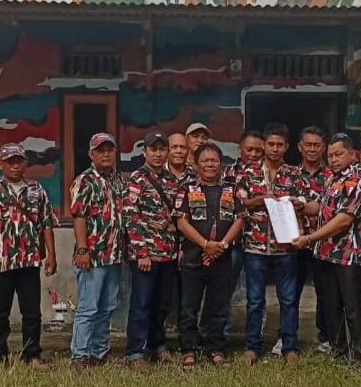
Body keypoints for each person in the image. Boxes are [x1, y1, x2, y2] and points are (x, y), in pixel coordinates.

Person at [0, 143, 58, 367]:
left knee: (32, 312)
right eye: (10, 162)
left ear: (26, 163)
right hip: (1, 261)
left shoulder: (36, 189)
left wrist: (51, 255)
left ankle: (32, 355)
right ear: (0, 164)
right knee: (0, 313)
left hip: (29, 260)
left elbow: (46, 223)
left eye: (19, 161)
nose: (15, 165)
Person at [293, 133, 361, 362]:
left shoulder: (358, 179)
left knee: (353, 307)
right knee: (331, 305)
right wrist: (300, 206)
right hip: (327, 253)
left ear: (353, 154)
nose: (334, 159)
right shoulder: (332, 178)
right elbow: (319, 207)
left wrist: (309, 239)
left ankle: (358, 356)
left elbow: (343, 220)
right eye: (330, 156)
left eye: (339, 154)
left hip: (350, 255)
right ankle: (338, 352)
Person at [237, 122, 307, 365]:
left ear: (287, 147)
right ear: (264, 145)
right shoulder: (248, 173)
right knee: (255, 300)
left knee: (288, 299)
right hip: (254, 246)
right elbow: (239, 204)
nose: (275, 149)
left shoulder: (295, 174)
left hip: (285, 247)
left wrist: (298, 205)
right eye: (271, 144)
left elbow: (304, 205)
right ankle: (252, 346)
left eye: (280, 145)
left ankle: (289, 347)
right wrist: (261, 199)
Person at [175, 143, 245, 369]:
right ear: (196, 165)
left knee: (219, 306)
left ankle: (215, 348)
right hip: (193, 257)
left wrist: (222, 245)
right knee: (189, 306)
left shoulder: (231, 189)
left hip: (222, 257)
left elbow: (240, 219)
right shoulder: (186, 189)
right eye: (204, 160)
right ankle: (189, 349)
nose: (209, 164)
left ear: (221, 164)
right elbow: (181, 222)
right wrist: (205, 244)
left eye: (214, 160)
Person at [124, 131, 180, 372]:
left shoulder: (171, 180)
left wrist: (178, 248)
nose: (158, 154)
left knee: (162, 304)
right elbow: (131, 216)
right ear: (144, 152)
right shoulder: (137, 178)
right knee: (141, 304)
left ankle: (158, 345)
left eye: (162, 149)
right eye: (153, 149)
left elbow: (176, 216)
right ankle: (136, 352)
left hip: (168, 253)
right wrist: (142, 252)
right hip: (146, 255)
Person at [69, 133, 125, 371]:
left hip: (115, 255)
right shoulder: (84, 181)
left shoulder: (118, 180)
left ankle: (99, 352)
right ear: (91, 154)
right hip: (92, 256)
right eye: (101, 150)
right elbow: (79, 217)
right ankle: (80, 355)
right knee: (88, 308)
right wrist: (82, 249)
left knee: (107, 307)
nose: (106, 154)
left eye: (110, 150)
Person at [293, 125, 332, 354]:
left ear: (323, 148)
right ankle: (287, 336)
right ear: (300, 146)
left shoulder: (332, 176)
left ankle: (325, 337)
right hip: (295, 243)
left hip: (323, 242)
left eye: (317, 145)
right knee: (290, 292)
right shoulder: (289, 174)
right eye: (308, 144)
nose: (312, 149)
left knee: (325, 292)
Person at [223, 130, 265, 337]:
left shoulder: (267, 174)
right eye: (249, 149)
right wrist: (257, 201)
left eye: (258, 150)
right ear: (239, 149)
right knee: (225, 289)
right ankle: (222, 332)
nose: (254, 154)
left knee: (256, 293)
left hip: (257, 242)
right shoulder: (226, 173)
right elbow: (228, 203)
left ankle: (254, 338)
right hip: (232, 240)